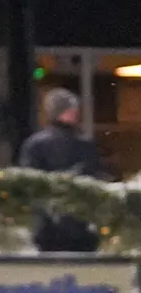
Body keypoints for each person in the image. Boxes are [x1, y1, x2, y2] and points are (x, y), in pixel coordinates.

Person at [18, 87, 113, 252]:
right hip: (81, 224)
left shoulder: (33, 145)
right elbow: (94, 179)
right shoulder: (84, 145)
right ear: (69, 112)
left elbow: (28, 184)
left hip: (46, 226)